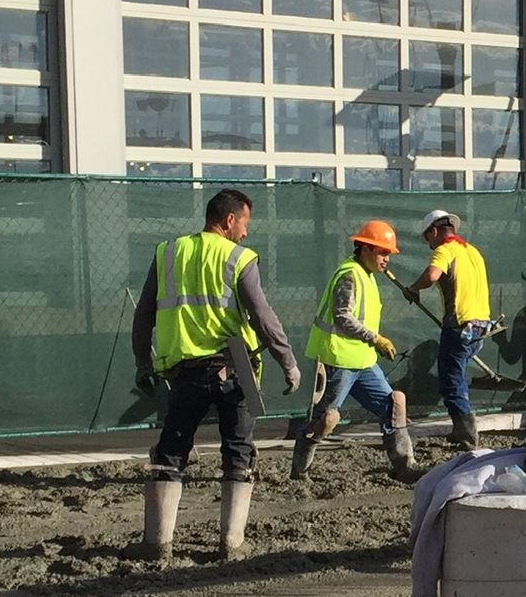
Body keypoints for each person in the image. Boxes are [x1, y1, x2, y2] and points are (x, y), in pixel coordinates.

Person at [132, 187, 300, 562]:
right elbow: (262, 315)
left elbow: (143, 315)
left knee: (170, 452)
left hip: (184, 372)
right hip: (233, 369)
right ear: (229, 220)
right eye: (244, 223)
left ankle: (157, 544)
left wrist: (143, 363)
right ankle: (231, 543)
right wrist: (287, 361)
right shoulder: (238, 257)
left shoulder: (168, 253)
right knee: (238, 452)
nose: (245, 231)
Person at [291, 221, 415, 483]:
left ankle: (405, 465)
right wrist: (376, 339)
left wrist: (373, 343)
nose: (387, 260)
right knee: (324, 419)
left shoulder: (366, 276)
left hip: (363, 361)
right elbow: (342, 317)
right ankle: (299, 473)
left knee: (394, 406)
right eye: (383, 253)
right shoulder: (349, 275)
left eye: (388, 254)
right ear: (366, 249)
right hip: (338, 359)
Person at [405, 209, 491, 449]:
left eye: (427, 238)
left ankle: (466, 435)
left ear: (433, 231)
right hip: (481, 325)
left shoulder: (446, 250)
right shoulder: (472, 251)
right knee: (458, 377)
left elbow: (432, 275)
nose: (428, 244)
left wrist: (413, 288)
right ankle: (460, 429)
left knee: (451, 381)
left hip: (460, 326)